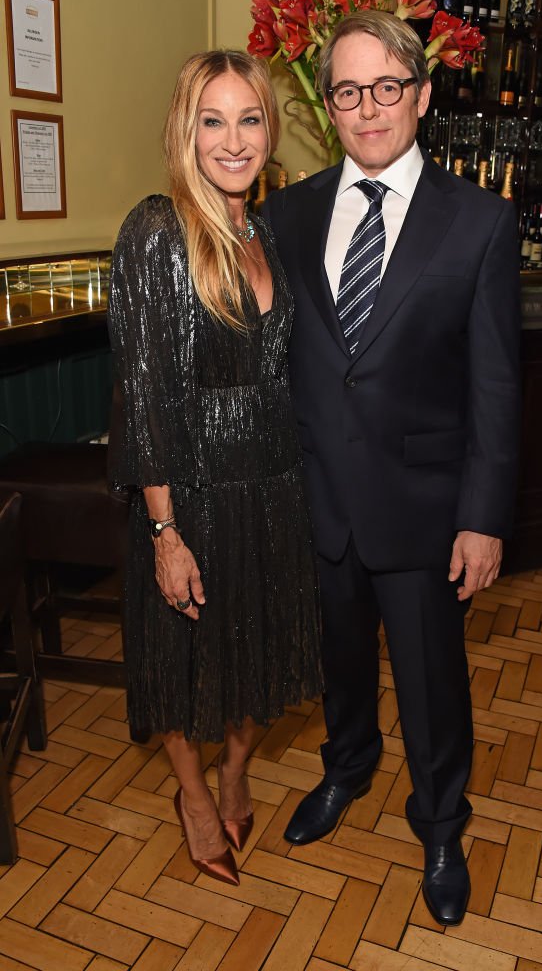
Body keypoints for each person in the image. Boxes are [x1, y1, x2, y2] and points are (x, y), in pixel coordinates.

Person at [263, 10, 521, 927]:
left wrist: (483, 517)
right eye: (346, 91)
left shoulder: (480, 223)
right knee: (338, 666)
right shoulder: (284, 213)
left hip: (423, 507)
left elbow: (495, 384)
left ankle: (441, 821)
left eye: (384, 87)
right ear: (326, 104)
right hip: (319, 499)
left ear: (418, 92)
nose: (366, 108)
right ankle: (346, 769)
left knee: (431, 682)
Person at [108, 50, 322, 887]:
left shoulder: (260, 230)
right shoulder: (159, 230)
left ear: (268, 130)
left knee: (255, 648)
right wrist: (164, 530)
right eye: (212, 120)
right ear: (184, 130)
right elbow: (146, 394)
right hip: (189, 487)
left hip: (273, 482)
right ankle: (194, 793)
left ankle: (235, 770)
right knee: (180, 653)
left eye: (249, 119)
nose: (232, 140)